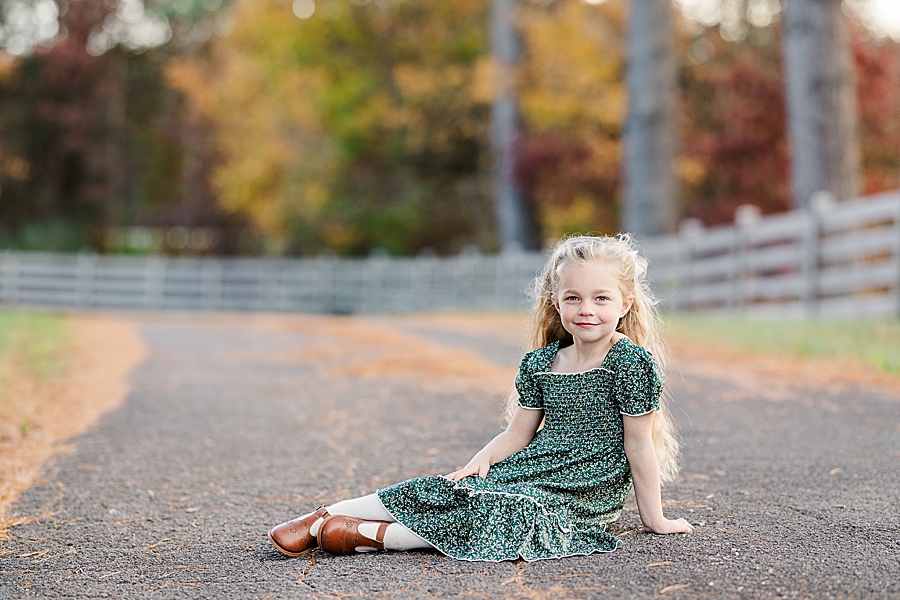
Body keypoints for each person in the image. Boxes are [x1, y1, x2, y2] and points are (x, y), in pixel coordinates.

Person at [268, 234, 693, 562]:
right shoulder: (541, 362)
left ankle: (372, 536)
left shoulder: (630, 363)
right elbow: (519, 432)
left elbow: (638, 444)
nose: (587, 309)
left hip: (583, 489)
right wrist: (480, 461)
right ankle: (323, 517)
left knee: (507, 516)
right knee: (450, 490)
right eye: (573, 298)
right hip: (534, 467)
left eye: (601, 298)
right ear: (555, 301)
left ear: (625, 303)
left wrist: (653, 519)